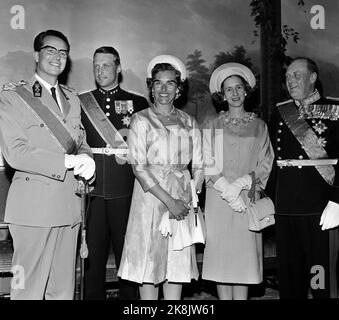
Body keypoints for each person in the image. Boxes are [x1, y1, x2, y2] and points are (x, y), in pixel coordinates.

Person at [0, 29, 95, 300]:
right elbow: (16, 153)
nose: (57, 57)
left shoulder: (73, 99)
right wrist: (66, 160)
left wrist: (87, 158)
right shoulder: (13, 96)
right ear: (36, 56)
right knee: (27, 291)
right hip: (34, 209)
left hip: (69, 206)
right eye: (50, 51)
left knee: (63, 291)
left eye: (63, 52)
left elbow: (81, 142)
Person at [118, 55, 204, 300]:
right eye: (158, 83)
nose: (163, 89)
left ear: (179, 89)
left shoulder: (189, 122)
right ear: (151, 87)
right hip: (150, 198)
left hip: (182, 198)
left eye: (170, 84)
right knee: (149, 261)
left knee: (176, 262)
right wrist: (169, 202)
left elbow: (199, 166)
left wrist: (188, 198)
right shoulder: (141, 120)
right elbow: (139, 168)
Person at [78, 46, 149, 300]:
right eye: (96, 65)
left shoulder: (138, 102)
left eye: (106, 65)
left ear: (118, 68)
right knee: (92, 259)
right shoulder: (81, 102)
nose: (100, 70)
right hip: (92, 187)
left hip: (126, 188)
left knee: (127, 256)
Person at [268, 57, 339, 299]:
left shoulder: (335, 109)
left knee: (321, 278)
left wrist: (337, 199)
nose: (291, 80)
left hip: (320, 206)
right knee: (290, 279)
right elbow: (273, 160)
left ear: (313, 78)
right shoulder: (280, 111)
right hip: (285, 206)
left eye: (297, 75)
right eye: (288, 77)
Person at [202, 63, 274, 300]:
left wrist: (243, 182)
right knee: (222, 257)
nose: (234, 93)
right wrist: (225, 186)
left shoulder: (260, 126)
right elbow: (206, 159)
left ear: (246, 91)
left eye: (238, 88)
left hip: (247, 197)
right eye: (228, 89)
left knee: (243, 259)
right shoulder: (212, 125)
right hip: (219, 198)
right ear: (222, 95)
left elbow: (266, 162)